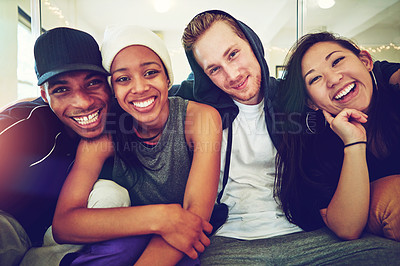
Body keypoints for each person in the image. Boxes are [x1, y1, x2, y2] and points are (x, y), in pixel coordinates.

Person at [171, 10, 400, 265]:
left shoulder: (296, 96)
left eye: (233, 54)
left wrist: (392, 73)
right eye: (214, 69)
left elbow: (362, 71)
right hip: (230, 241)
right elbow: (142, 93)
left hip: (310, 234)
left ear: (252, 43)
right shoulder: (193, 104)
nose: (232, 75)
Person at [52, 25, 222, 266]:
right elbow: (64, 224)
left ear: (167, 77)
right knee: (120, 247)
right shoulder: (106, 133)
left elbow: (193, 221)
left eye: (150, 72)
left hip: (182, 241)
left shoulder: (201, 119)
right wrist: (161, 216)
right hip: (137, 236)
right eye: (123, 78)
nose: (140, 88)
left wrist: (168, 222)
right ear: (113, 88)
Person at [0, 27, 111, 265]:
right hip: (10, 232)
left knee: (111, 195)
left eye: (93, 83)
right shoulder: (28, 127)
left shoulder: (123, 120)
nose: (82, 102)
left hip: (49, 245)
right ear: (44, 95)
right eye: (61, 90)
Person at [275, 32, 400, 241]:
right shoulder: (313, 144)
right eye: (315, 78)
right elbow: (346, 227)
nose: (333, 79)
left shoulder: (393, 93)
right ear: (311, 103)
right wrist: (354, 142)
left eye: (337, 61)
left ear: (366, 61)